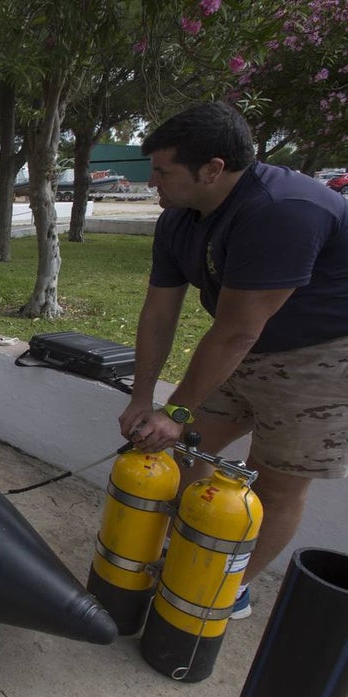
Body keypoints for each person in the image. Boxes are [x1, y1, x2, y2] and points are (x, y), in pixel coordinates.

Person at [119, 101, 348, 619]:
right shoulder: (178, 219)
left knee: (277, 481)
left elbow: (239, 328)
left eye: (162, 171)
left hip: (326, 360)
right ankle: (186, 553)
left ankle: (226, 588)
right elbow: (159, 313)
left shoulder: (282, 209)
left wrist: (175, 412)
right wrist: (144, 398)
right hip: (243, 348)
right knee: (180, 452)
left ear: (213, 169)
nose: (151, 182)